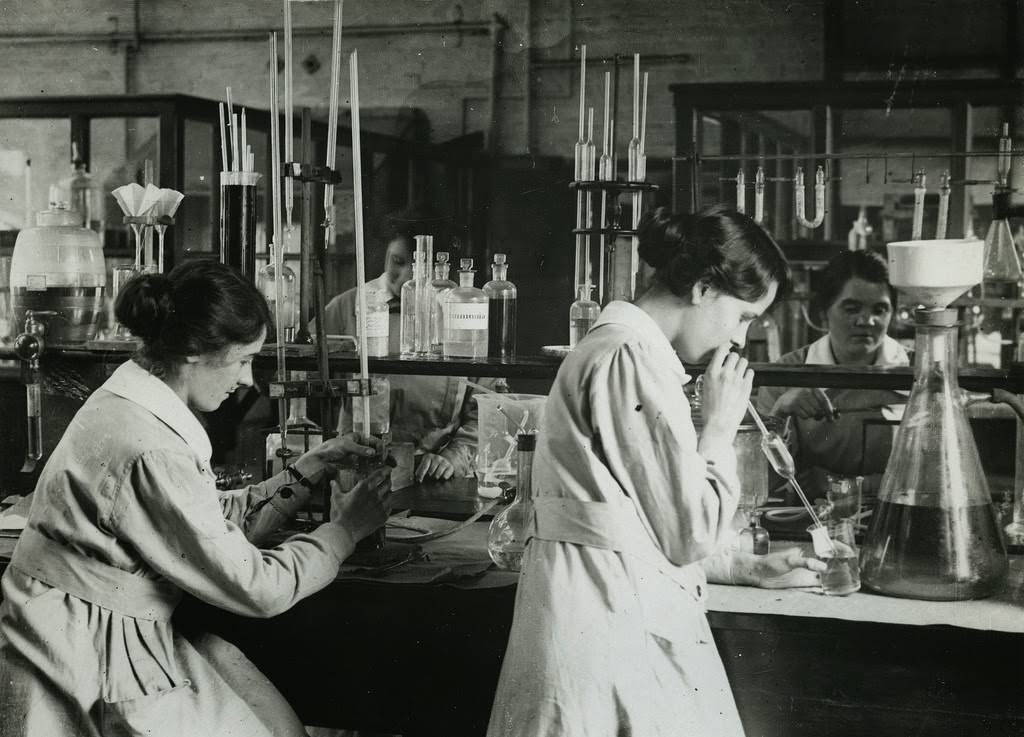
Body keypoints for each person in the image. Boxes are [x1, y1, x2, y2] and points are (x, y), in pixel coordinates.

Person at [0, 261, 393, 737]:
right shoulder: (150, 446)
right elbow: (255, 587)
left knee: (275, 722)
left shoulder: (129, 404)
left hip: (84, 624)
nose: (249, 380)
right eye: (243, 358)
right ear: (192, 353)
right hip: (82, 651)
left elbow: (203, 524)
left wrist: (314, 465)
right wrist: (345, 531)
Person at [487, 206, 825, 737]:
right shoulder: (629, 358)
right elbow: (687, 534)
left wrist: (746, 567)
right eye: (742, 316)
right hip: (602, 620)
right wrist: (718, 429)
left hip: (602, 609)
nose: (739, 340)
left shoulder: (629, 351)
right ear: (703, 289)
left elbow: (634, 523)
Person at [319, 215, 506, 483]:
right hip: (356, 470)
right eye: (397, 261)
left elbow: (488, 406)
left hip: (433, 474)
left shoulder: (465, 314)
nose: (406, 274)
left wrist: (455, 456)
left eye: (419, 266)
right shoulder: (349, 306)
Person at [755, 249, 909, 499]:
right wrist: (780, 413)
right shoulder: (784, 375)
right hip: (812, 524)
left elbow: (934, 474)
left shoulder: (920, 374)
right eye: (851, 308)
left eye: (880, 309)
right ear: (824, 311)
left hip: (899, 514)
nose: (866, 321)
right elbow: (760, 482)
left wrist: (846, 486)